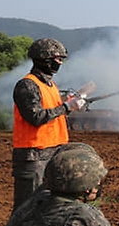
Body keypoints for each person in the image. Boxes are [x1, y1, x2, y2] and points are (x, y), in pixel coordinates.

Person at [12, 37, 88, 210]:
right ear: (45, 59)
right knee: (26, 209)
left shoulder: (51, 85)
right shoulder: (28, 85)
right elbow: (36, 117)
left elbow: (54, 113)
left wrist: (69, 106)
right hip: (33, 156)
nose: (60, 63)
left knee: (48, 208)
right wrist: (66, 106)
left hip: (53, 152)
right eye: (58, 59)